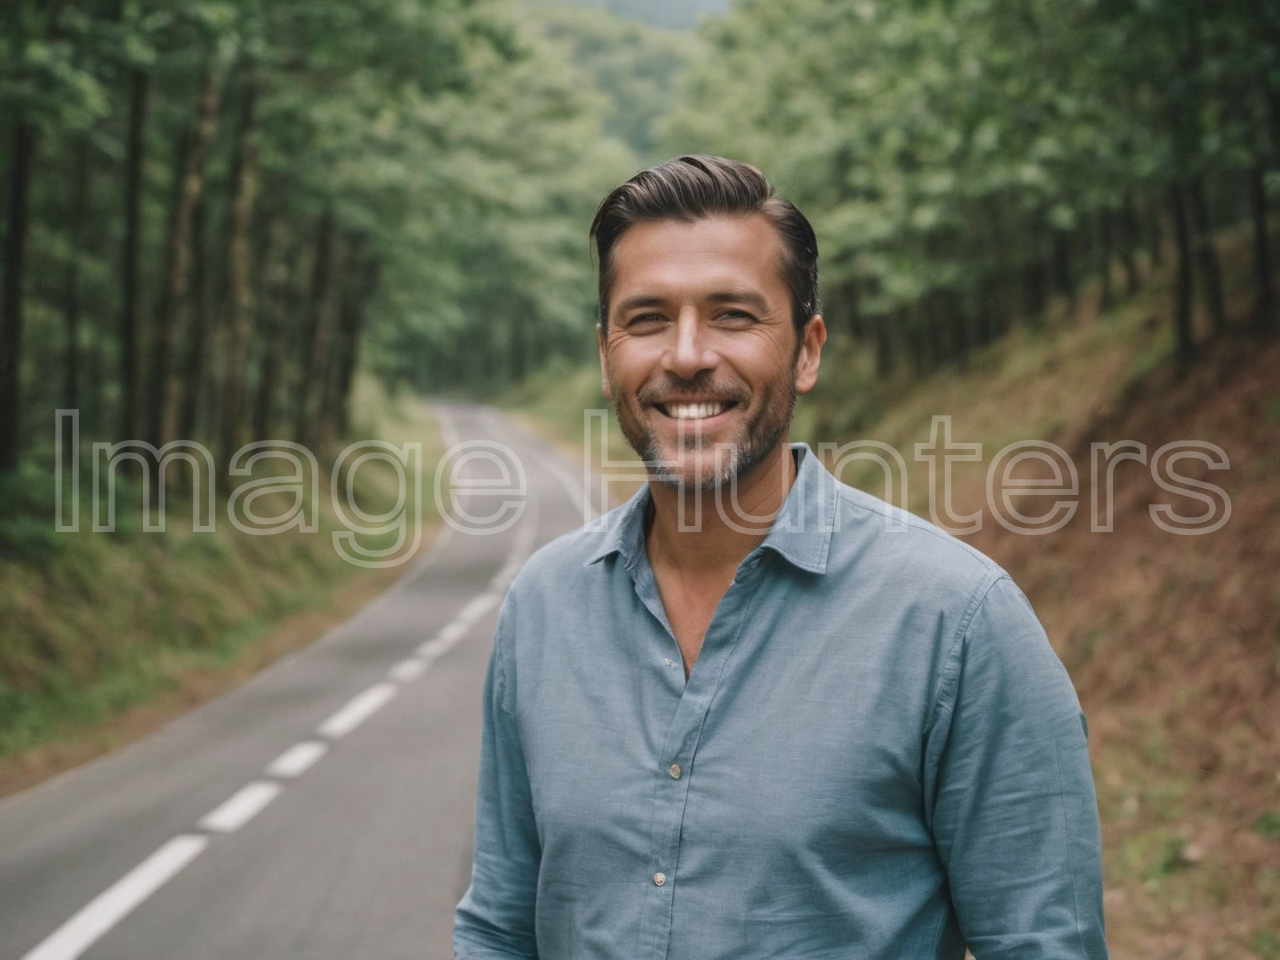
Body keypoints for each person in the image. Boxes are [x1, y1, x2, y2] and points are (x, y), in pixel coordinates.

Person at [453, 155, 1108, 960]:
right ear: (604, 355)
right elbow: (498, 927)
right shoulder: (542, 605)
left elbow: (1045, 944)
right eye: (648, 318)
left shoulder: (958, 623)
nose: (687, 355)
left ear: (807, 350)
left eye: (732, 315)